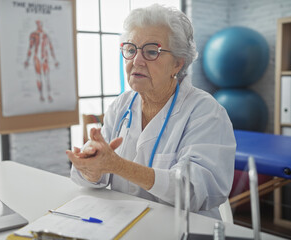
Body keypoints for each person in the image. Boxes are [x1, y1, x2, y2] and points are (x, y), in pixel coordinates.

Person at [66, 4, 236, 220]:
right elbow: (98, 177)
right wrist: (92, 167)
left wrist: (118, 165)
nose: (136, 61)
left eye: (151, 52)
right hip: (123, 223)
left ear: (177, 63)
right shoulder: (121, 105)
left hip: (182, 230)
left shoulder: (206, 112)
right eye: (130, 50)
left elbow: (194, 192)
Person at [24, 20, 59, 102]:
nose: (39, 25)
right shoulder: (33, 34)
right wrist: (27, 60)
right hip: (37, 58)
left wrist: (55, 60)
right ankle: (41, 95)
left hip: (44, 57)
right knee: (39, 77)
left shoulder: (46, 35)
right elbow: (30, 47)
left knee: (46, 77)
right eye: (38, 24)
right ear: (36, 25)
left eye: (40, 24)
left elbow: (50, 47)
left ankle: (49, 95)